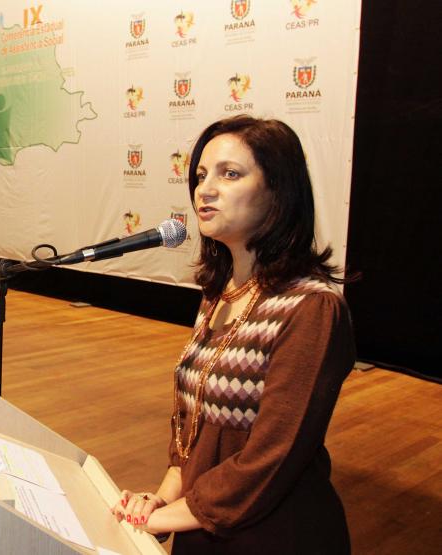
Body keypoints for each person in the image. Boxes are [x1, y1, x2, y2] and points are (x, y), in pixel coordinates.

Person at [111, 116, 355, 554]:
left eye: (230, 174)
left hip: (273, 536)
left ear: (278, 192)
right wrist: (160, 500)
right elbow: (195, 435)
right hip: (200, 524)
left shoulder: (312, 308)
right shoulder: (218, 295)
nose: (204, 190)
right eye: (201, 175)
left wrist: (163, 517)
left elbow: (273, 456)